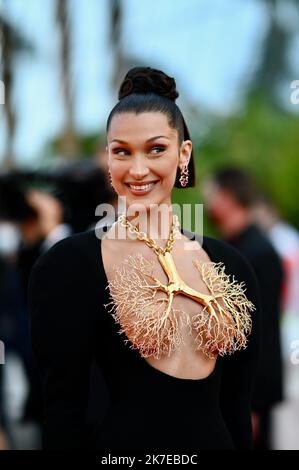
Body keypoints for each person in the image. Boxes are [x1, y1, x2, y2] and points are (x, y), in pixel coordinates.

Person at [28, 67, 261, 451]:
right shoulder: (69, 266)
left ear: (183, 153)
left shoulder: (231, 266)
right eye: (122, 151)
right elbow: (62, 412)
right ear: (107, 159)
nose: (138, 170)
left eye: (156, 149)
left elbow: (236, 407)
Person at [202, 168, 284, 449]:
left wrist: (254, 403)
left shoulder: (257, 252)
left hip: (251, 396)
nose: (207, 203)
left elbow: (261, 334)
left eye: (211, 195)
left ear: (227, 197)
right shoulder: (237, 247)